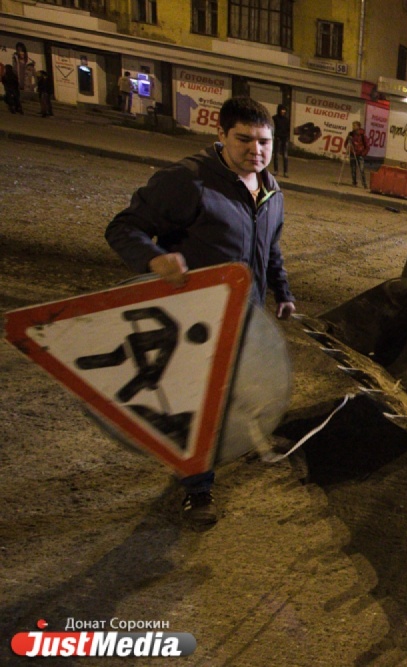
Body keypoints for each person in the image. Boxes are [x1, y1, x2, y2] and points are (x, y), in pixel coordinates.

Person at [105, 96, 296, 529]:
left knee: (231, 393)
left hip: (245, 317)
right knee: (196, 402)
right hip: (193, 321)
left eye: (264, 141)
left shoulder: (271, 190)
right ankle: (197, 490)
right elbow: (123, 227)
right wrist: (154, 258)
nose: (256, 150)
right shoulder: (188, 182)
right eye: (244, 139)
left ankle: (217, 453)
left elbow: (270, 249)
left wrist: (282, 292)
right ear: (221, 137)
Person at [347, 120, 370, 187]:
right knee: (353, 169)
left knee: (361, 170)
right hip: (353, 153)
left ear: (358, 126)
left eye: (354, 126)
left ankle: (364, 183)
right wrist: (350, 149)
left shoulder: (362, 135)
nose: (353, 127)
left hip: (360, 154)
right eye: (353, 126)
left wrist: (363, 153)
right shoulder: (351, 134)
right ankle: (354, 182)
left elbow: (367, 146)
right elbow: (346, 143)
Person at [272, 104, 291, 177]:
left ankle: (285, 172)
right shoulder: (275, 118)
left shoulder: (286, 120)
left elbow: (288, 129)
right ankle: (276, 170)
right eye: (282, 110)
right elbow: (273, 128)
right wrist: (275, 135)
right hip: (278, 138)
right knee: (276, 155)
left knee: (285, 156)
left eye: (284, 110)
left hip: (284, 138)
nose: (283, 111)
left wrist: (287, 137)